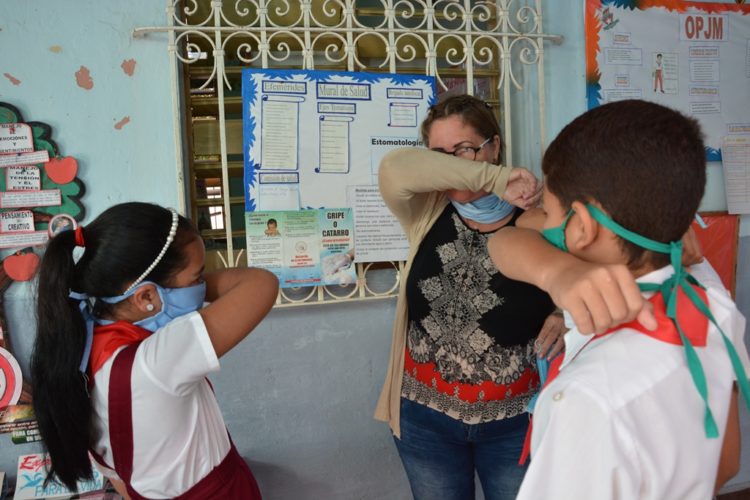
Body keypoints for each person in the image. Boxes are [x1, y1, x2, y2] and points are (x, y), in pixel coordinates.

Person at [488, 99, 749, 499]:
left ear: (583, 227)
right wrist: (558, 271)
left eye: (550, 210)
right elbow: (727, 461)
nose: (545, 221)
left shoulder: (586, 399)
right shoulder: (713, 305)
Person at [375, 94, 564, 500]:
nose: (454, 169)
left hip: (515, 424)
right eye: (441, 156)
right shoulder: (425, 212)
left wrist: (564, 313)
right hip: (425, 422)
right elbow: (394, 168)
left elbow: (584, 268)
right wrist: (491, 178)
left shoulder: (538, 219)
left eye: (464, 150)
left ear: (494, 146)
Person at [31, 202, 278, 499]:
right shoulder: (156, 360)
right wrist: (192, 293)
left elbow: (117, 473)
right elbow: (261, 283)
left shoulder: (84, 350)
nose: (202, 287)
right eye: (198, 277)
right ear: (146, 295)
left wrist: (182, 287)